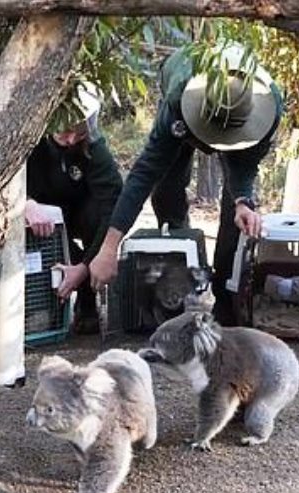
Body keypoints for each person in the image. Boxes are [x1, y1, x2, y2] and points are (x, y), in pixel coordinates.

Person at [88, 43, 283, 326]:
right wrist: (109, 248)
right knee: (166, 190)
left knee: (237, 213)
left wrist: (243, 200)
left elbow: (244, 167)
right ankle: (177, 276)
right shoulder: (179, 99)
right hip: (188, 109)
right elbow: (143, 175)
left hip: (239, 123)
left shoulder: (268, 110)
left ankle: (224, 298)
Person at [25, 84, 123, 334]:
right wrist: (24, 202)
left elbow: (113, 205)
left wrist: (85, 266)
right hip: (39, 211)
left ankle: (87, 303)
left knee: (96, 218)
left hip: (81, 213)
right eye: (65, 131)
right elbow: (2, 178)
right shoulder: (28, 138)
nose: (69, 140)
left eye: (77, 132)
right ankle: (43, 306)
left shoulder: (94, 150)